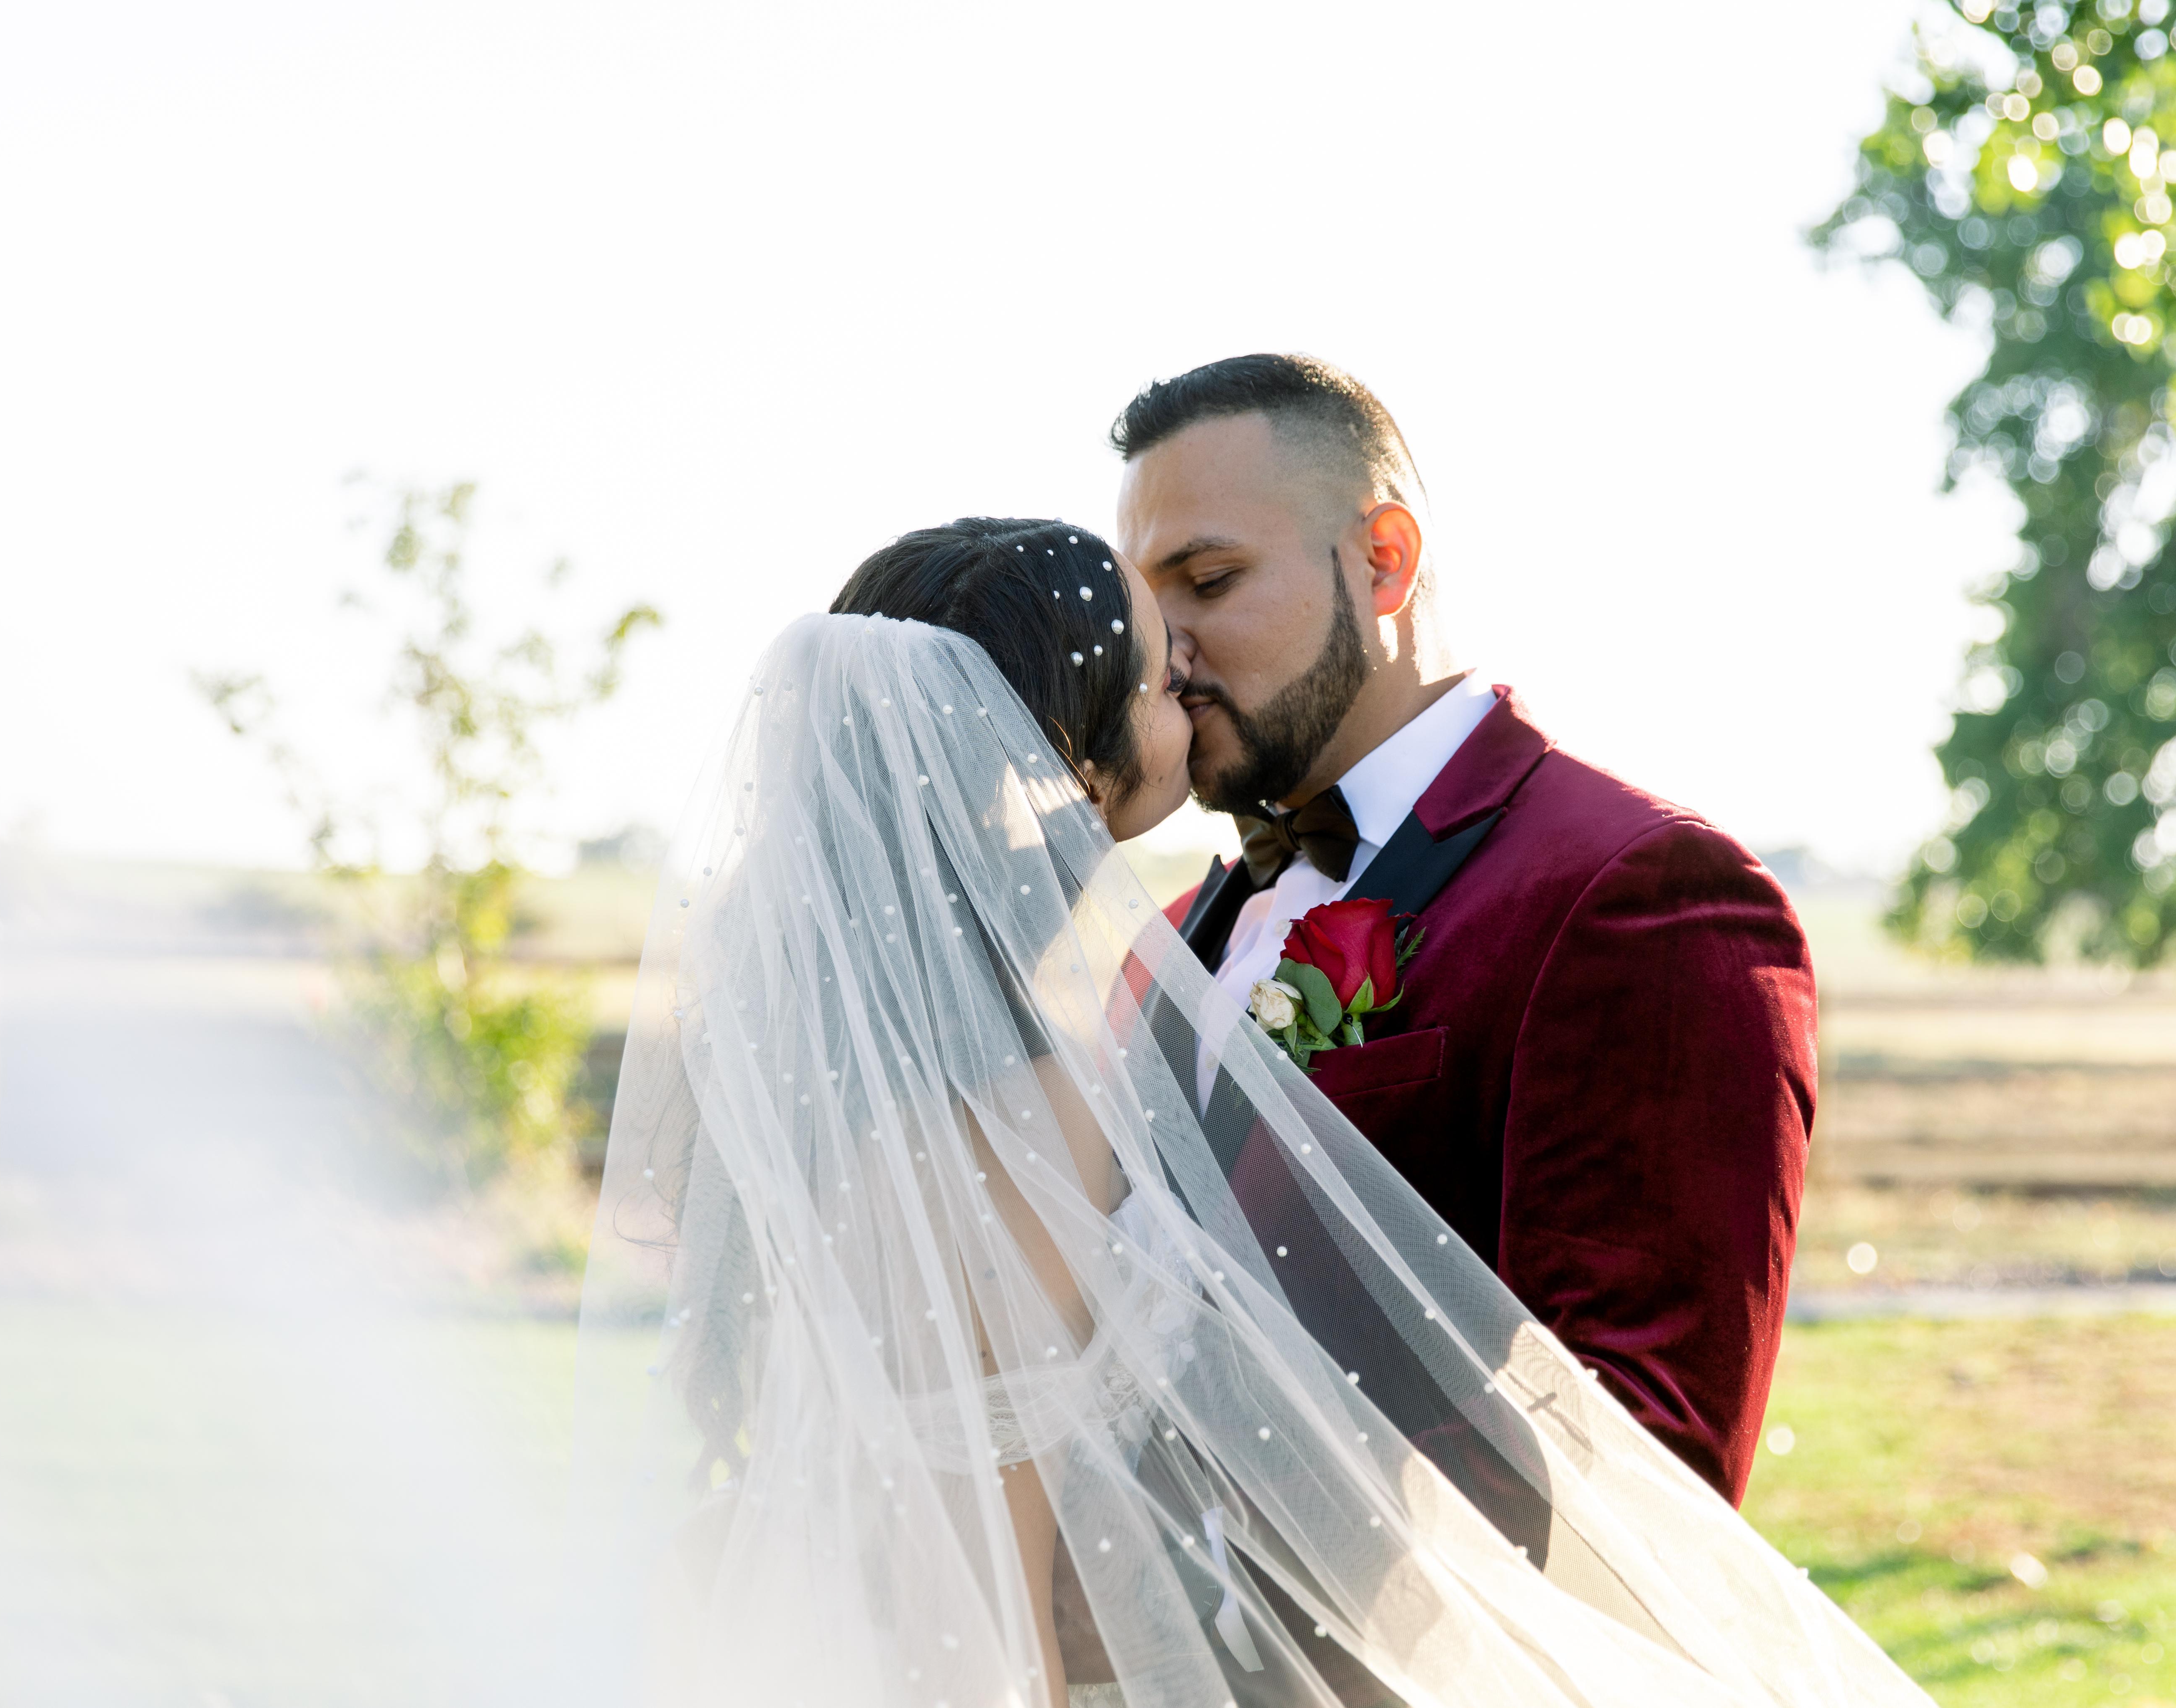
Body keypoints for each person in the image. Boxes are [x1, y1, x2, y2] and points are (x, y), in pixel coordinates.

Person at [568, 519, 1918, 1708]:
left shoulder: (828, 1071)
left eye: (1207, 589)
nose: (1190, 672)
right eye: (1157, 670)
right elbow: (999, 1527)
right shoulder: (1035, 1101)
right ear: (1064, 757)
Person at [1115, 355, 1815, 1509]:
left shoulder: (1640, 890)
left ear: (1383, 560)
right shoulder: (1184, 932)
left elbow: (1636, 1472)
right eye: (1151, 608)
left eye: (1210, 579)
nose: (1168, 651)